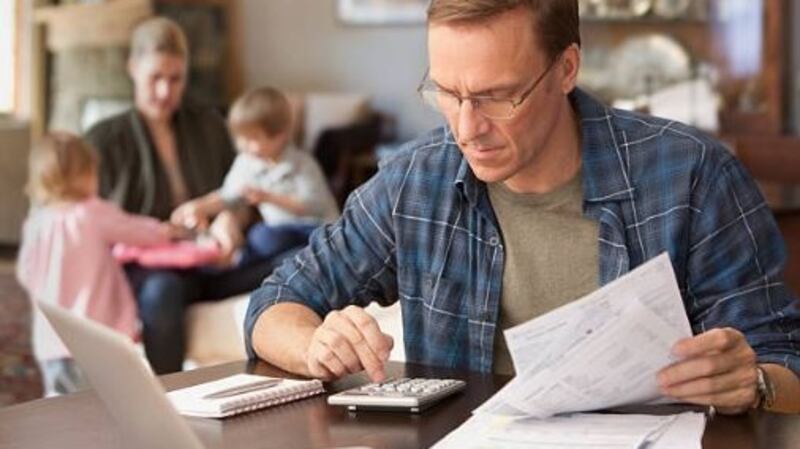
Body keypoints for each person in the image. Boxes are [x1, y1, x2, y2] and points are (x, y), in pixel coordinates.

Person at [245, 0, 800, 415]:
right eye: (447, 92)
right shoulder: (416, 181)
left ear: (566, 68)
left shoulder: (692, 175)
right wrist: (314, 343)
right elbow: (275, 303)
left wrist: (753, 383)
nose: (466, 128)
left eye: (496, 96)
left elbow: (786, 364)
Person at [85, 17, 280, 374]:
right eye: (155, 78)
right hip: (151, 270)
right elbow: (90, 225)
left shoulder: (209, 125)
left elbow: (239, 194)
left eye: (175, 79)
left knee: (298, 254)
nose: (165, 91)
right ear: (133, 68)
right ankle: (170, 399)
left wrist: (228, 220)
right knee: (163, 293)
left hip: (213, 261)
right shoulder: (103, 141)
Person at [16, 132, 178, 395]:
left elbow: (25, 272)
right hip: (97, 339)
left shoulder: (37, 222)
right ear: (85, 174)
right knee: (105, 406)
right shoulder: (91, 212)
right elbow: (134, 230)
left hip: (52, 341)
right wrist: (166, 231)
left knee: (62, 410)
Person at [171, 87, 339, 267]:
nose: (244, 146)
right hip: (281, 232)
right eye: (240, 139)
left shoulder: (303, 164)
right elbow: (228, 195)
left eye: (253, 139)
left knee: (263, 236)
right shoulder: (246, 162)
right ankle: (233, 264)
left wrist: (269, 198)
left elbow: (313, 205)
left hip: (314, 228)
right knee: (261, 240)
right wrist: (199, 206)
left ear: (280, 136)